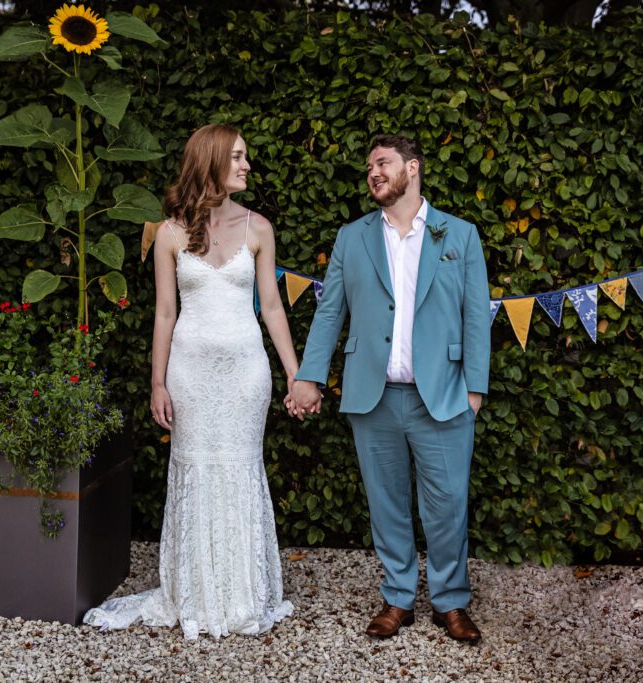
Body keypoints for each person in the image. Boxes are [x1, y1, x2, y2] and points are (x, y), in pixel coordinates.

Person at [84, 123, 296, 639]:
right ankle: (198, 592)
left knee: (240, 468)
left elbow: (271, 305)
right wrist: (158, 383)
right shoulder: (170, 233)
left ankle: (241, 595)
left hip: (246, 375)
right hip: (191, 376)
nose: (247, 166)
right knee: (197, 471)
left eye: (247, 157)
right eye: (239, 157)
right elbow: (163, 314)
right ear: (212, 161)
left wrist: (296, 373)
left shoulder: (259, 229)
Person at [287, 134, 490, 643]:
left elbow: (475, 317)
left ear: (412, 168)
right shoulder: (352, 238)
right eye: (369, 166)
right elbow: (330, 310)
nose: (373, 172)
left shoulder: (459, 235)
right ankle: (398, 597)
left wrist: (476, 389)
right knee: (386, 503)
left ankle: (450, 601)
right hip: (372, 395)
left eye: (383, 163)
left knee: (447, 504)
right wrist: (309, 377)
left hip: (442, 394)